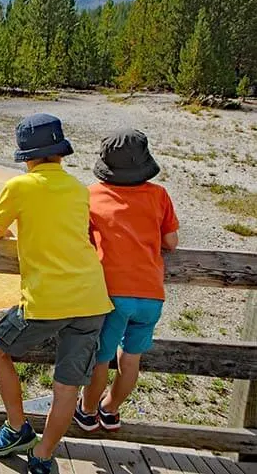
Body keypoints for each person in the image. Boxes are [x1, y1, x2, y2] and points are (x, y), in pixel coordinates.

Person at [0, 114, 113, 474]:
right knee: (67, 385)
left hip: (47, 300)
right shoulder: (77, 188)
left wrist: (12, 236)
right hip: (92, 299)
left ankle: (17, 427)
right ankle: (43, 455)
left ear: (27, 156)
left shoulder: (19, 187)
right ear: (60, 154)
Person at [75, 129, 179, 432]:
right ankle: (111, 409)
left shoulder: (92, 195)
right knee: (131, 359)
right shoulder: (159, 195)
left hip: (111, 295)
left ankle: (88, 409)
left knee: (100, 359)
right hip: (151, 295)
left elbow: (82, 237)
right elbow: (171, 242)